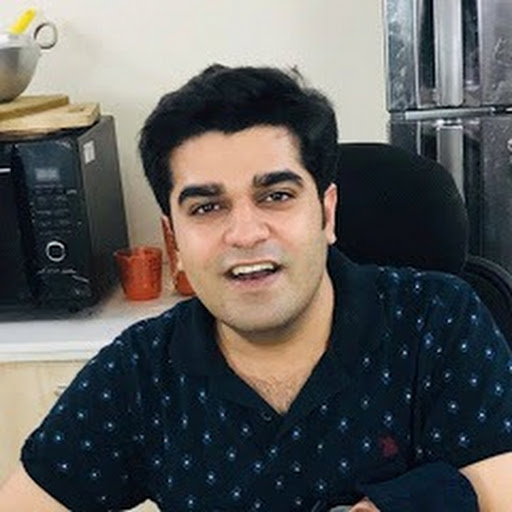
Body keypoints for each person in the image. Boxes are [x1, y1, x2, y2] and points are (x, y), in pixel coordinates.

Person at [1, 64, 512, 512]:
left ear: (327, 212)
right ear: (174, 239)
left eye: (276, 195)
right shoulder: (140, 370)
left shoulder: (437, 319)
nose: (245, 234)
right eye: (207, 207)